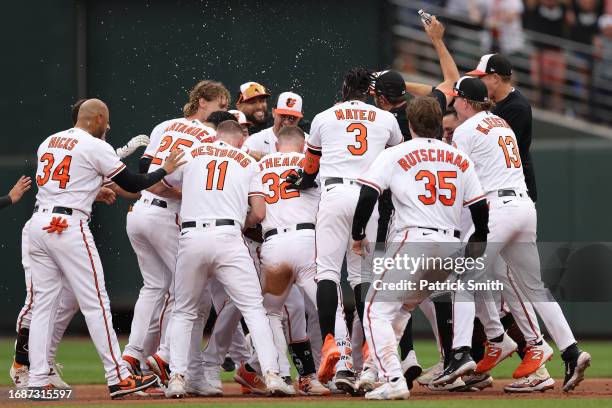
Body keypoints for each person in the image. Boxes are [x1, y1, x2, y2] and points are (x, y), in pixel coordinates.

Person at [27, 98, 184, 399]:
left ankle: (36, 380)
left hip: (39, 224)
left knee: (44, 306)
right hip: (67, 227)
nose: (109, 126)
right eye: (107, 120)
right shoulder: (95, 145)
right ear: (97, 118)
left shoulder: (49, 141)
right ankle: (118, 376)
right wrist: (164, 169)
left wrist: (92, 192)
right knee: (96, 303)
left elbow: (62, 182)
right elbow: (135, 182)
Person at [449, 76, 591, 393]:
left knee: (463, 279)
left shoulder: (465, 130)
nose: (454, 106)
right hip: (523, 206)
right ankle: (571, 350)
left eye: (456, 99)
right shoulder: (501, 122)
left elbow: (458, 181)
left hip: (496, 207)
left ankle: (461, 354)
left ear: (466, 101)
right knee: (533, 287)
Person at [350, 96, 490, 400]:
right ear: (439, 123)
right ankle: (379, 370)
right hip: (450, 245)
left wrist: (358, 232)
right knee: (400, 309)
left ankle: (392, 378)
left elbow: (367, 194)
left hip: (414, 241)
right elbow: (480, 208)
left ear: (410, 124)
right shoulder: (458, 157)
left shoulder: (397, 153)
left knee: (374, 308)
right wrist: (479, 239)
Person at [154, 120, 294, 398]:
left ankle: (177, 379)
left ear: (216, 136)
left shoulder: (193, 152)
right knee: (254, 309)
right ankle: (272, 375)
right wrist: (239, 223)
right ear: (240, 140)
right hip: (229, 236)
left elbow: (158, 186)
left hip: (192, 236)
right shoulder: (247, 161)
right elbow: (259, 212)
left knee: (184, 311)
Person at [289, 68, 403, 392]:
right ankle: (367, 352)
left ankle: (333, 349)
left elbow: (310, 170)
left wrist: (302, 180)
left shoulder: (324, 117)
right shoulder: (386, 119)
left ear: (343, 89)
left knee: (326, 272)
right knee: (362, 278)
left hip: (335, 194)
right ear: (369, 91)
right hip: (369, 196)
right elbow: (398, 158)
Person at [125, 80, 227, 385]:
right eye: (220, 105)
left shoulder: (165, 125)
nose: (223, 112)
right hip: (167, 216)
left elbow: (145, 174)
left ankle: (132, 355)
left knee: (155, 287)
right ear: (202, 102)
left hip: (140, 212)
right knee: (194, 293)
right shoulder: (210, 135)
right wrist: (182, 194)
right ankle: (166, 357)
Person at [257, 125, 330, 396]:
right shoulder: (312, 164)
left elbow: (254, 209)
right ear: (304, 146)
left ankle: (282, 375)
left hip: (273, 242)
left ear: (276, 145)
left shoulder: (260, 164)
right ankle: (329, 368)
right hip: (309, 239)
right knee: (323, 305)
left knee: (273, 312)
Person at [243, 91, 306, 161]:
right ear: (273, 113)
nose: (286, 122)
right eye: (283, 116)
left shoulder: (309, 143)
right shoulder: (255, 141)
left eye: (292, 118)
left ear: (299, 118)